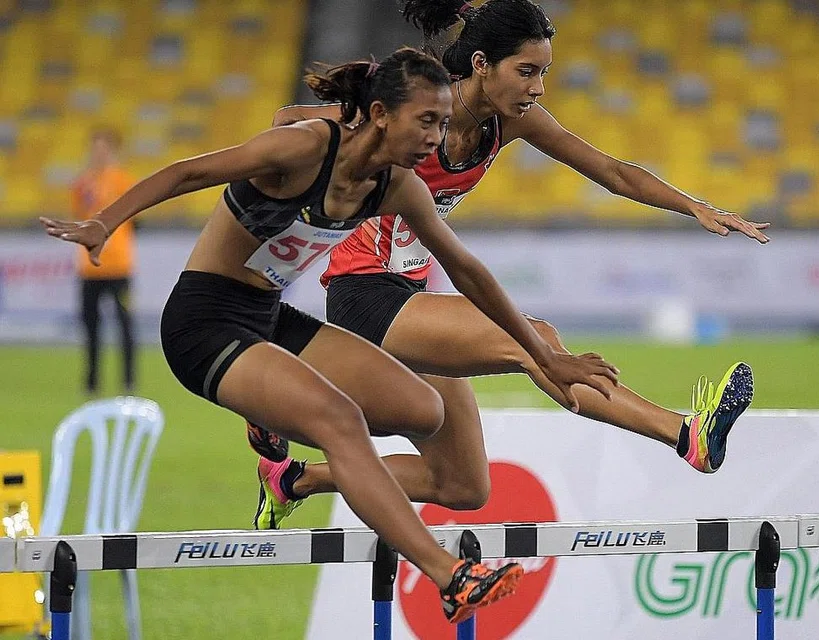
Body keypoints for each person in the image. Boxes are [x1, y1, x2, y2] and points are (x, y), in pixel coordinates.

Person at [41, 47, 619, 624]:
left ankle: (277, 426)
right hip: (205, 322)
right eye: (426, 121)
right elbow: (188, 172)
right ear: (381, 114)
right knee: (339, 421)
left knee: (424, 409)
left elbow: (468, 271)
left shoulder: (398, 187)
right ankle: (449, 576)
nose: (435, 139)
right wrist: (106, 221)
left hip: (269, 317)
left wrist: (543, 356)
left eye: (443, 123)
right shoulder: (305, 149)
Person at [249, 0, 767, 526]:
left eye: (543, 73)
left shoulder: (511, 121)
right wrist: (286, 203)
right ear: (481, 65)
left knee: (463, 485)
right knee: (534, 341)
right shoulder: (415, 111)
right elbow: (287, 120)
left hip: (413, 300)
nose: (537, 87)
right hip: (364, 296)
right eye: (526, 71)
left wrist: (694, 206)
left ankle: (294, 480)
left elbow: (612, 171)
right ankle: (685, 435)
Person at [70, 128, 138, 396]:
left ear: (112, 151)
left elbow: (136, 216)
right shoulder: (82, 184)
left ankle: (128, 381)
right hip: (90, 268)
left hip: (119, 267)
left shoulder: (124, 180)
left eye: (104, 148)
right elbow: (79, 216)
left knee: (125, 325)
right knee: (91, 327)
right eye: (95, 148)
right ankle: (92, 383)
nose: (99, 153)